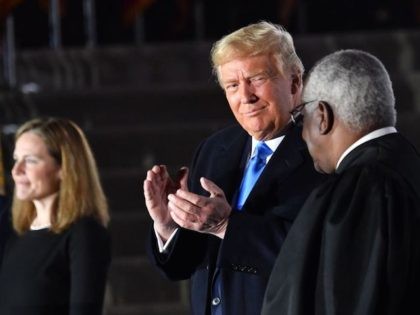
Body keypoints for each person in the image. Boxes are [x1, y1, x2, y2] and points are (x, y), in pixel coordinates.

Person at [143, 21, 325, 315]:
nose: (246, 96)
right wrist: (169, 226)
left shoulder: (323, 154)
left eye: (256, 79)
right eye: (232, 86)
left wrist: (227, 226)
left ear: (294, 82)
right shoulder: (215, 149)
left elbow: (317, 256)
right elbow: (184, 266)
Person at [262, 49, 420, 315]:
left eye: (303, 116)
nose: (302, 135)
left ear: (322, 116)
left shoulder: (364, 190)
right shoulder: (409, 164)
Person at [0, 117, 111, 315]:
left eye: (31, 160)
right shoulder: (15, 230)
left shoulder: (84, 234)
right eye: (17, 159)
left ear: (63, 168)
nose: (16, 171)